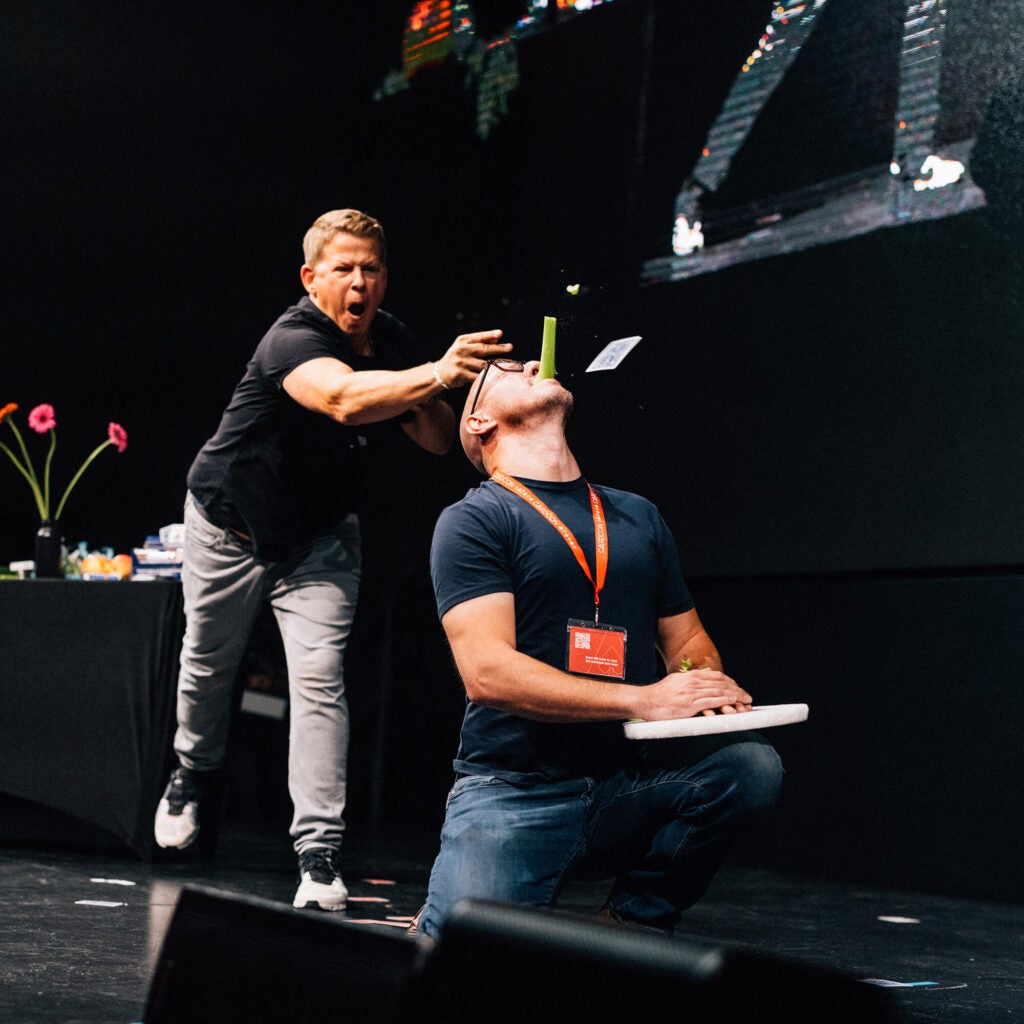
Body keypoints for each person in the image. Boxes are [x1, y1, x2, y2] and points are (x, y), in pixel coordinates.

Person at [154, 208, 511, 911]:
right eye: (343, 269)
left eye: (371, 269)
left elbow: (438, 442)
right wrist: (433, 370)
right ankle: (192, 771)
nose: (359, 283)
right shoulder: (292, 337)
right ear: (311, 278)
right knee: (207, 663)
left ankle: (317, 856)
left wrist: (454, 390)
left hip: (319, 540)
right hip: (230, 527)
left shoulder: (393, 341)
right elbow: (343, 401)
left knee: (318, 681)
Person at [415, 354, 784, 938]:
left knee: (748, 764)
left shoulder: (636, 515)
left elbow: (687, 640)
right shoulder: (475, 518)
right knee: (455, 964)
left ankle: (632, 921)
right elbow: (488, 674)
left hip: (622, 785)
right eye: (509, 368)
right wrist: (645, 699)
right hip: (516, 792)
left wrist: (699, 687)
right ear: (478, 421)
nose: (536, 362)